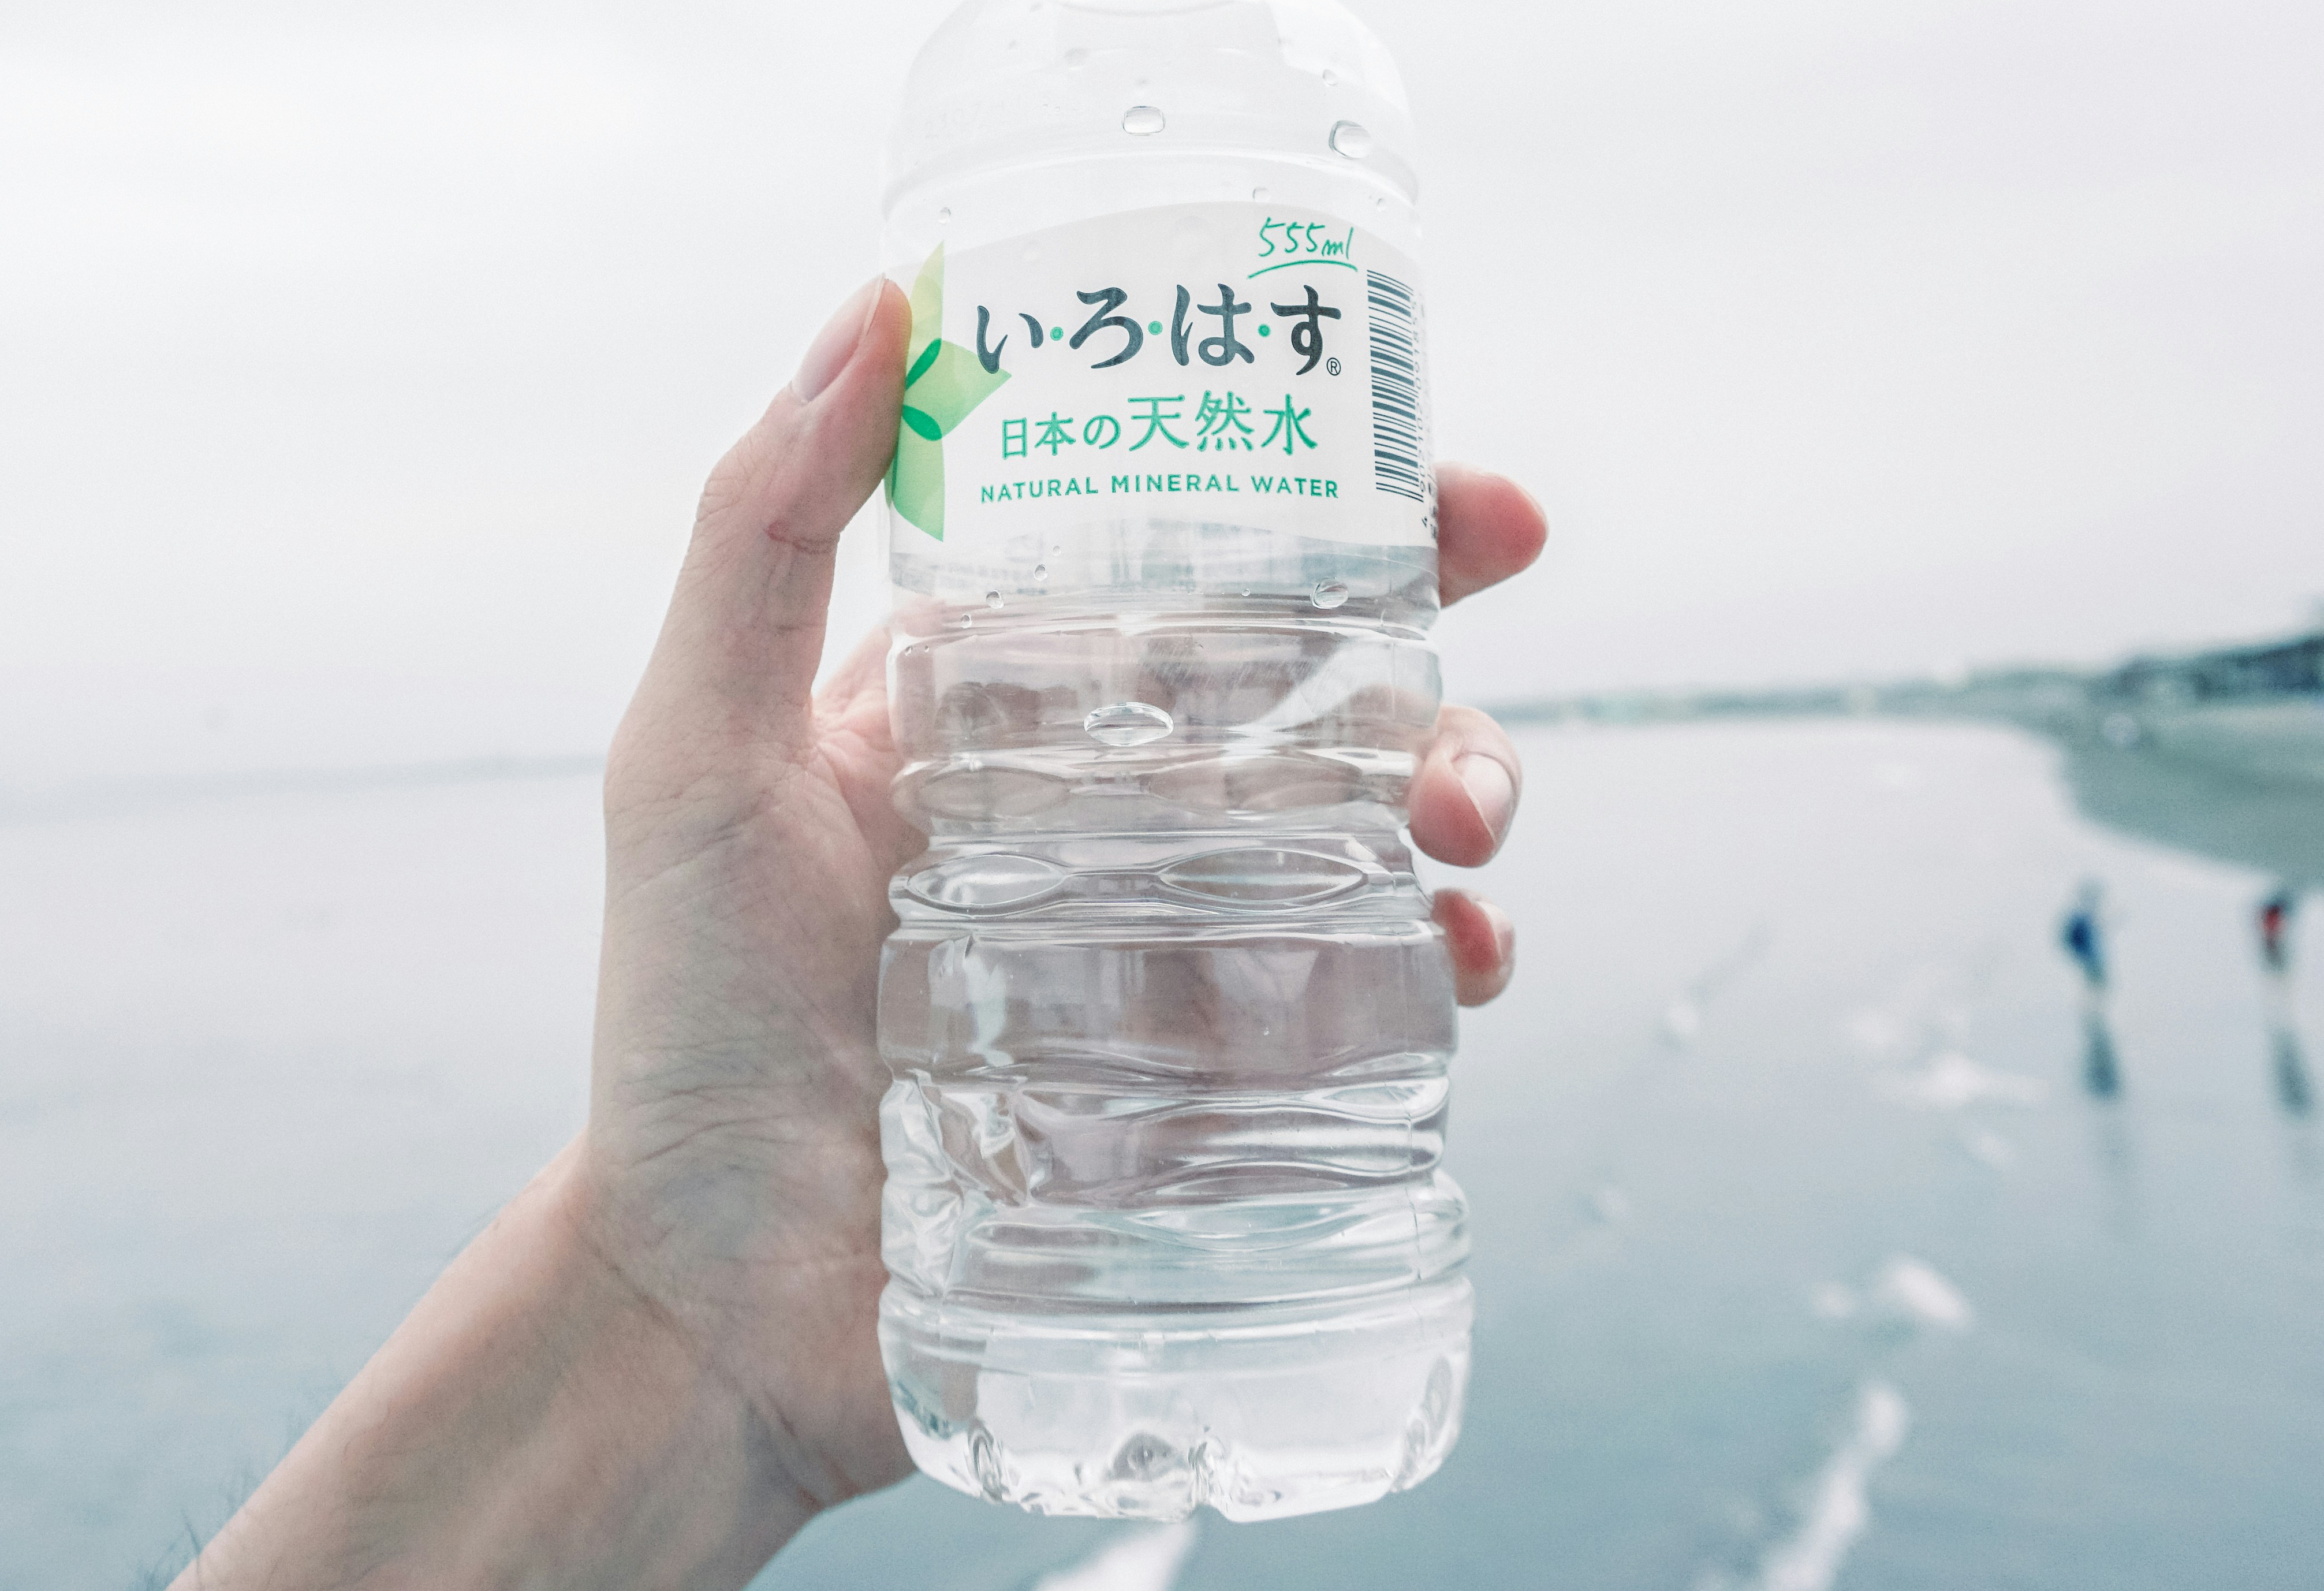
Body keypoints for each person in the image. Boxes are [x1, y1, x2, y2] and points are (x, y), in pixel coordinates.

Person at [169, 280, 1549, 1590]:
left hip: (1280, 1287)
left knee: (1348, 744)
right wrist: (683, 1307)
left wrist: (682, 1335)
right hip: (1019, 1278)